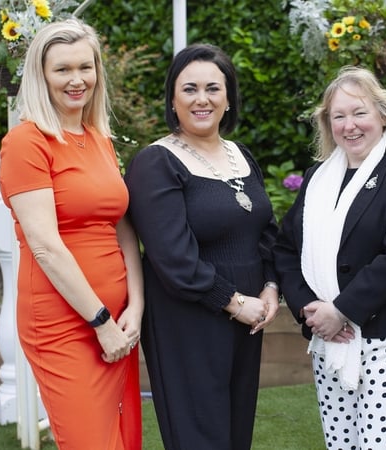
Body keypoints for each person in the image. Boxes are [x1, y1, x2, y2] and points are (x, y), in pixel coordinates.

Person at [273, 66, 386, 449]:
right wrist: (310, 308)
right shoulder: (318, 177)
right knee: (343, 444)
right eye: (339, 116)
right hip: (331, 339)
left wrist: (342, 310)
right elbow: (286, 249)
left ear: (382, 115)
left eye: (359, 112)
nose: (349, 125)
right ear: (328, 124)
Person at [123, 43, 280, 450]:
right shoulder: (156, 162)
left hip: (248, 319)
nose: (202, 99)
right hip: (189, 320)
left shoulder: (240, 155)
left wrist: (270, 288)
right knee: (201, 436)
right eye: (189, 89)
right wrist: (234, 302)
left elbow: (266, 230)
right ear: (172, 100)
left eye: (213, 88)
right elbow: (172, 258)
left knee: (235, 432)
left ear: (228, 98)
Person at [0, 18, 143, 450]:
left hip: (119, 321)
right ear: (41, 76)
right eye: (62, 69)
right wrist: (100, 322)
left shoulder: (100, 139)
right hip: (65, 323)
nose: (77, 79)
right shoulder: (26, 142)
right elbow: (45, 246)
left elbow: (123, 228)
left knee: (123, 438)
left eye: (86, 66)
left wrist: (136, 305)